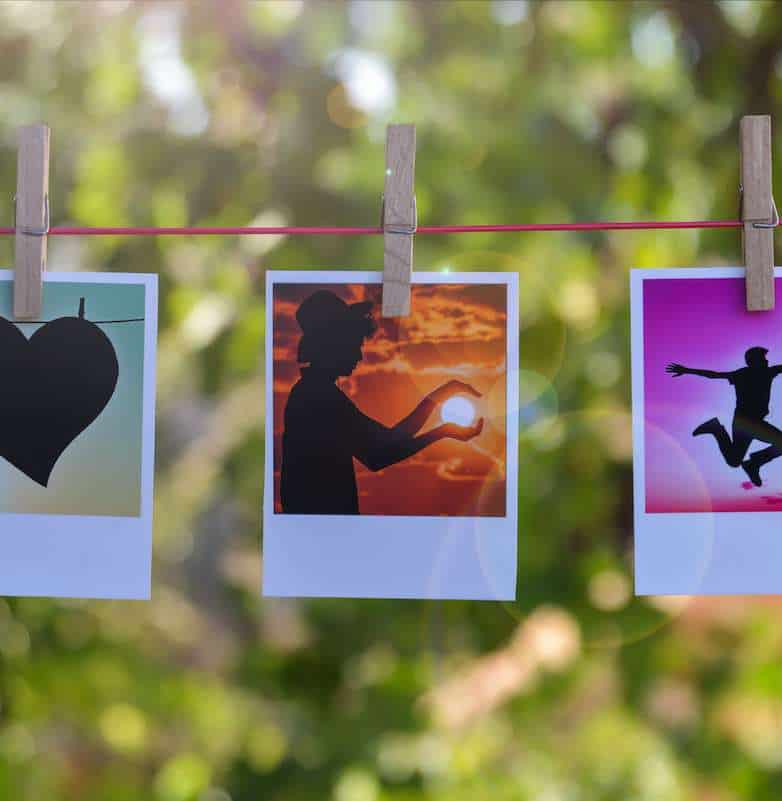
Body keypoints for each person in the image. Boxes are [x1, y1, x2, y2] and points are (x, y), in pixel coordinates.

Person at [280, 290, 484, 514]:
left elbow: (385, 445)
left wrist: (440, 405)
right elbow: (381, 452)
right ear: (334, 344)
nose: (359, 356)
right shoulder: (321, 396)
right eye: (355, 345)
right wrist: (440, 427)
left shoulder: (313, 392)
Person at [666, 346, 782, 487]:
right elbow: (714, 375)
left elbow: (714, 375)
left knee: (734, 461)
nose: (767, 361)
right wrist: (687, 370)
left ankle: (716, 429)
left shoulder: (767, 372)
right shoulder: (745, 374)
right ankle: (753, 463)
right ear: (753, 361)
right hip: (748, 422)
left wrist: (687, 370)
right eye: (763, 359)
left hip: (744, 423)